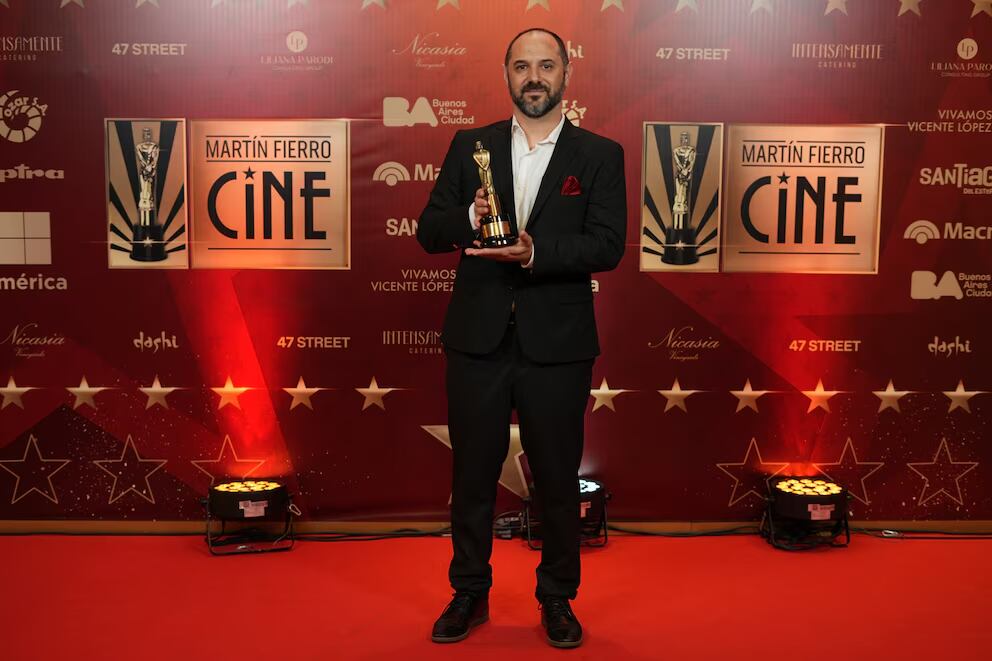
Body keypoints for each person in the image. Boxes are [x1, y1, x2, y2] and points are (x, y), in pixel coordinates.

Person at [416, 27, 626, 649]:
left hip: (557, 344)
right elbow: (429, 230)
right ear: (506, 74)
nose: (534, 78)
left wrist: (537, 251)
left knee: (558, 479)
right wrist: (470, 218)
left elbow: (607, 245)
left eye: (546, 66)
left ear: (566, 73)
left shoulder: (599, 154)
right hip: (477, 340)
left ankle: (558, 598)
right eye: (522, 67)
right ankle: (469, 592)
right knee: (472, 477)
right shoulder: (469, 146)